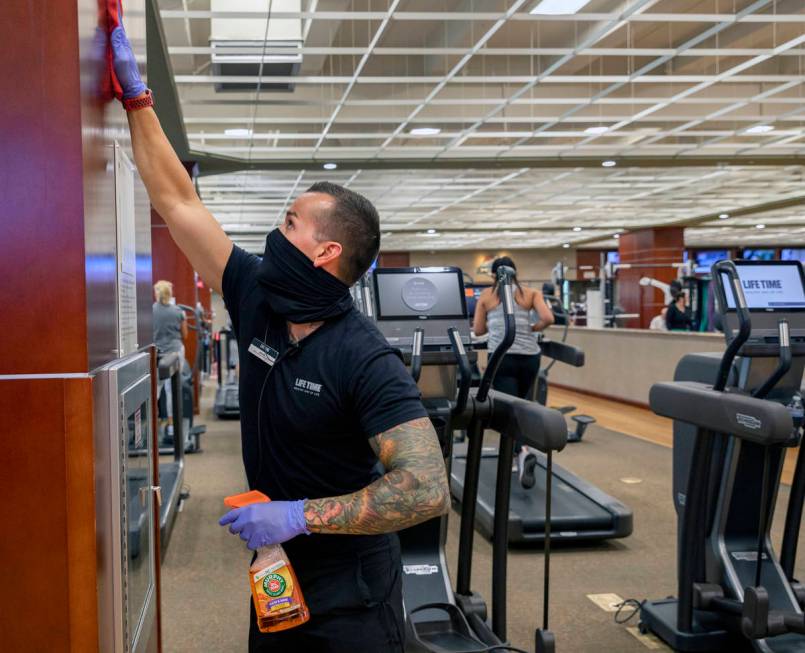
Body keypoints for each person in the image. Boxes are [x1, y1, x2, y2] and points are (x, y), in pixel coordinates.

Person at [111, 17, 449, 653]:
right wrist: (137, 101)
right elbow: (179, 204)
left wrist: (300, 515)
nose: (274, 229)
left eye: (289, 221)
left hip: (351, 597)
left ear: (324, 251)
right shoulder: (258, 295)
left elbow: (425, 489)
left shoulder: (364, 356)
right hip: (275, 580)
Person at [472, 257, 555, 488]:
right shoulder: (530, 293)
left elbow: (478, 330)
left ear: (493, 275)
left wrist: (493, 324)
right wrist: (531, 327)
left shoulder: (487, 296)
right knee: (525, 404)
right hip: (530, 357)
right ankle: (520, 453)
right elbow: (548, 318)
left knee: (511, 409)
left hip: (503, 357)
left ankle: (522, 451)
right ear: (515, 272)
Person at [152, 280, 187, 432]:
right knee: (172, 389)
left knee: (156, 389)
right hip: (175, 352)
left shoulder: (150, 310)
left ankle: (155, 422)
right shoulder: (178, 311)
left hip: (158, 354)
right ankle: (172, 424)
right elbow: (184, 334)